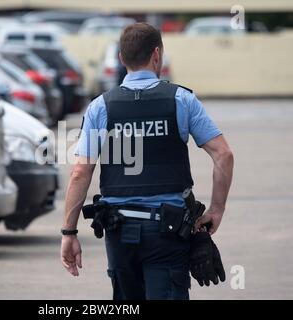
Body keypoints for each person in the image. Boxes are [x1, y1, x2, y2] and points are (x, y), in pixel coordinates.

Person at [60, 22, 234, 300]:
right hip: (167, 231)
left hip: (119, 231)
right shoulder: (182, 100)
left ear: (121, 58)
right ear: (157, 55)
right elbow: (223, 155)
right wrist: (216, 209)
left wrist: (69, 232)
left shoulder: (100, 106)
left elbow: (81, 171)